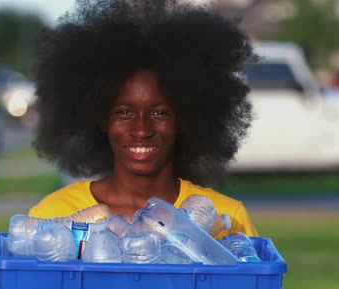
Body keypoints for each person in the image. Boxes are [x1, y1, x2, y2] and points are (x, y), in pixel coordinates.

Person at [28, 0, 258, 237]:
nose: (141, 129)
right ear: (102, 119)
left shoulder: (225, 219)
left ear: (185, 118)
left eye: (159, 112)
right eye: (124, 112)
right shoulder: (53, 217)